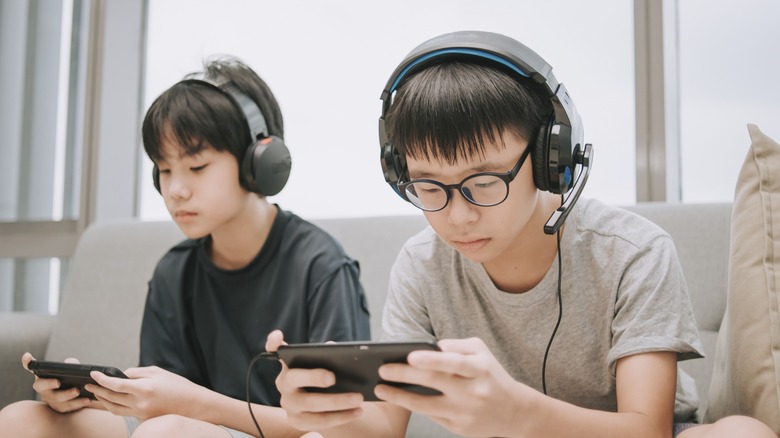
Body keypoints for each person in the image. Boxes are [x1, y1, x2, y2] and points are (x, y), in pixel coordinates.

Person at [265, 31, 775, 437]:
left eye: (484, 183)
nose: (458, 217)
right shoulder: (421, 264)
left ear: (551, 162)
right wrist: (327, 408)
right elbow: (385, 427)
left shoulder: (633, 252)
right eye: (427, 187)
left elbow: (648, 431)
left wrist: (516, 414)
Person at [0, 57, 370, 438]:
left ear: (258, 162)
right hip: (181, 430)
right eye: (164, 169)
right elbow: (160, 411)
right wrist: (92, 395)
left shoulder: (320, 265)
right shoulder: (173, 272)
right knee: (21, 420)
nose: (176, 190)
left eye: (196, 167)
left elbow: (345, 427)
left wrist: (195, 405)